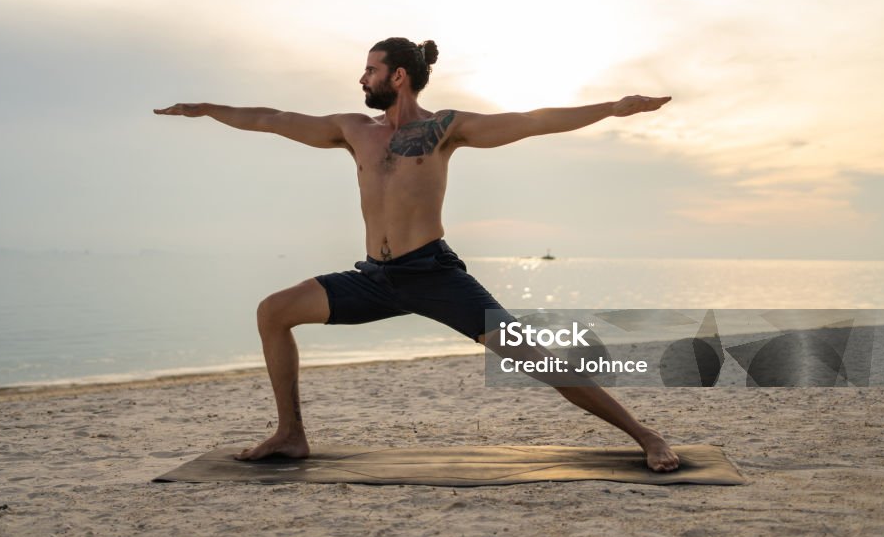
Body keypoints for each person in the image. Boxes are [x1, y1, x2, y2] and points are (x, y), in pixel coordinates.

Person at [154, 37, 680, 472]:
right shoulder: (351, 130)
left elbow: (533, 120)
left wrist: (612, 108)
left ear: (398, 76)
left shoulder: (446, 128)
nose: (361, 79)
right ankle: (290, 434)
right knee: (274, 311)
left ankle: (646, 435)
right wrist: (207, 110)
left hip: (432, 273)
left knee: (534, 358)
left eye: (370, 69)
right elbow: (272, 117)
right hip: (375, 277)